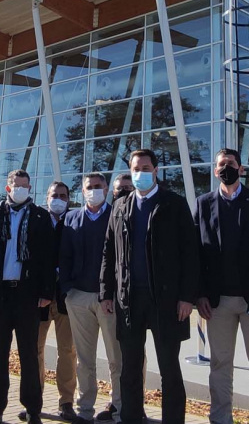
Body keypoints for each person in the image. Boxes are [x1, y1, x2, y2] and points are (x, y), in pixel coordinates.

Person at [101, 149, 199, 424]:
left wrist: (186, 297)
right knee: (130, 368)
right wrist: (106, 292)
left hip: (166, 301)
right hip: (128, 300)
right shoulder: (120, 206)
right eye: (135, 168)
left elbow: (190, 254)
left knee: (169, 368)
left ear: (156, 170)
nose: (140, 173)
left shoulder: (174, 204)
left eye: (145, 167)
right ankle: (130, 418)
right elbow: (109, 251)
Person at [194, 149, 249, 424]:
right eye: (221, 164)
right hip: (217, 302)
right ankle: (220, 418)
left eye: (230, 164)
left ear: (240, 168)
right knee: (219, 364)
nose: (225, 168)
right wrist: (200, 294)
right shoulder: (204, 203)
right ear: (215, 170)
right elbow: (197, 252)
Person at [0, 170, 56, 424]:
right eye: (16, 186)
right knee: (0, 354)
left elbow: (47, 258)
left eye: (25, 186)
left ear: (30, 188)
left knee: (29, 355)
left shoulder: (41, 217)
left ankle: (33, 410)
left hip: (28, 295)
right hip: (0, 294)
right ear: (8, 188)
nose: (21, 190)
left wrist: (46, 292)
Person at [60, 173, 121, 424]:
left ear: (106, 189)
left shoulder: (117, 215)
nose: (93, 190)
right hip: (78, 298)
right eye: (89, 187)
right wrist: (67, 291)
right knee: (84, 359)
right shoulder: (71, 218)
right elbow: (63, 257)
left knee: (116, 358)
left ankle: (118, 407)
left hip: (109, 299)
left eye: (98, 186)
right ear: (82, 190)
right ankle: (85, 409)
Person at [22, 181, 78, 422]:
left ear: (69, 199)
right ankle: (35, 401)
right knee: (34, 350)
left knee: (67, 350)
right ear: (46, 197)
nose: (58, 199)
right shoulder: (36, 220)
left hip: (65, 297)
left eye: (63, 195)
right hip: (38, 299)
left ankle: (66, 402)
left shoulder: (75, 222)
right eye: (54, 195)